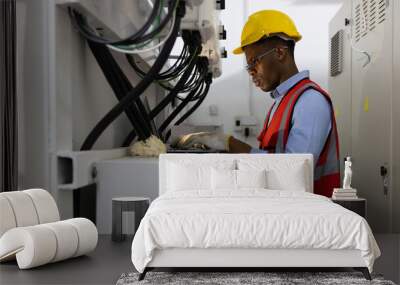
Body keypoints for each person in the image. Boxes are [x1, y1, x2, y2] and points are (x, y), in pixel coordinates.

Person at [175, 10, 340, 197]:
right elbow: (273, 161)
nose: (251, 72)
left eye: (254, 62)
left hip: (313, 215)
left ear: (279, 52)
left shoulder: (310, 101)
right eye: (248, 66)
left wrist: (231, 144)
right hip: (290, 209)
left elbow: (294, 175)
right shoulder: (281, 103)